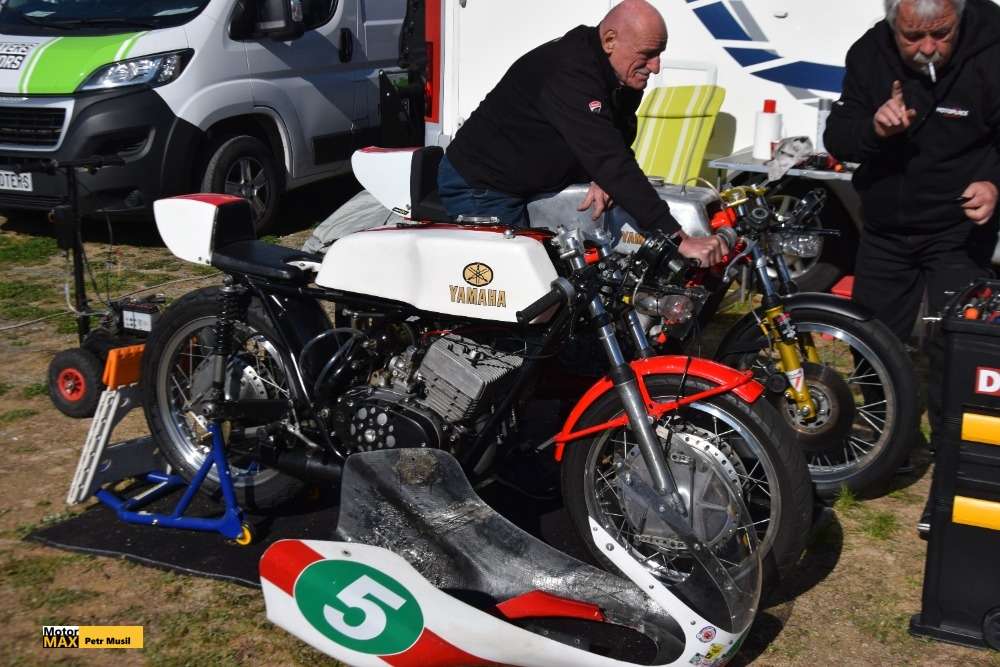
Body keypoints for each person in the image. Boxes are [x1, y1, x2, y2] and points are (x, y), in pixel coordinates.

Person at [824, 0, 1000, 446]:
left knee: (956, 339)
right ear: (892, 25)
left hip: (960, 227)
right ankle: (888, 440)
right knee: (872, 337)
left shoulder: (993, 51)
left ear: (959, 17)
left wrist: (995, 184)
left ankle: (954, 446)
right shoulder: (868, 53)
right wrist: (875, 129)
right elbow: (838, 137)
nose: (928, 48)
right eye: (913, 37)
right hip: (886, 225)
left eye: (941, 34)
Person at [437, 0, 726, 267]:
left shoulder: (620, 75)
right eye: (648, 55)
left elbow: (616, 136)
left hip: (534, 181)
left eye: (659, 53)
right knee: (524, 284)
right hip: (483, 186)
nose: (656, 66)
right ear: (610, 41)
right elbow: (611, 159)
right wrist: (678, 239)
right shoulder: (569, 72)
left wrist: (600, 176)